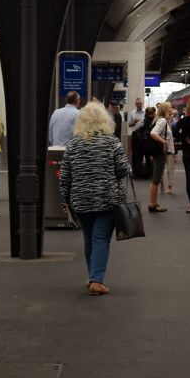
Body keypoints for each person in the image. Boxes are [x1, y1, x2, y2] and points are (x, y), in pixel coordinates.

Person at [58, 101, 130, 296]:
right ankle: (97, 280)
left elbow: (65, 176)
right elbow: (124, 169)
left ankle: (92, 276)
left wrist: (66, 199)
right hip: (106, 199)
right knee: (100, 239)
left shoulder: (73, 144)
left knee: (89, 238)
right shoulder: (111, 142)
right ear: (104, 120)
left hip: (80, 200)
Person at [147, 102, 174, 212]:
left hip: (160, 152)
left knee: (156, 178)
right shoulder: (162, 120)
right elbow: (153, 133)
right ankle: (152, 204)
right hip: (160, 152)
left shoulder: (163, 120)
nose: (172, 109)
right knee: (156, 178)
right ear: (165, 109)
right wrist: (164, 142)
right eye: (170, 107)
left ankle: (154, 202)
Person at [126, 98, 146, 176]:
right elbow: (129, 125)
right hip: (135, 135)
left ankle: (141, 171)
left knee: (141, 153)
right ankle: (135, 172)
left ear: (142, 104)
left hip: (143, 135)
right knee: (134, 153)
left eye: (140, 103)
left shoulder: (145, 112)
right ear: (135, 104)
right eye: (137, 104)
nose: (139, 105)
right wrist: (134, 122)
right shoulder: (132, 113)